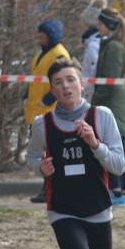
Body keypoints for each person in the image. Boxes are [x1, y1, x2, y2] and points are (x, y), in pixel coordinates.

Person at [26, 57, 125, 249]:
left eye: (71, 80)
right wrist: (39, 167)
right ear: (53, 90)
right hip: (63, 209)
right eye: (58, 82)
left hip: (98, 209)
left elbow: (119, 165)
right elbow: (31, 155)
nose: (65, 86)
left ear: (82, 84)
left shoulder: (101, 116)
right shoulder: (44, 124)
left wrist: (94, 143)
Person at [91, 7, 125, 207]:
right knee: (112, 148)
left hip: (114, 105)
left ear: (108, 26)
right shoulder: (111, 45)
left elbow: (109, 81)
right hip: (111, 103)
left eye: (100, 24)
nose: (97, 27)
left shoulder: (115, 48)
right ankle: (116, 190)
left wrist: (95, 99)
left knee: (116, 149)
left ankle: (119, 192)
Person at [26, 19, 73, 203]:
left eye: (43, 34)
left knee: (51, 153)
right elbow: (35, 78)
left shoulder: (59, 53)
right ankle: (47, 188)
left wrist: (50, 98)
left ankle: (51, 189)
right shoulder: (40, 54)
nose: (39, 37)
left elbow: (64, 79)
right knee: (42, 152)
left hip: (50, 110)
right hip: (35, 109)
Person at [79, 0, 109, 101]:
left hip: (91, 96)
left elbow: (93, 73)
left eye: (84, 22)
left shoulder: (93, 45)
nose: (81, 25)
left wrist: (81, 89)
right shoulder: (95, 42)